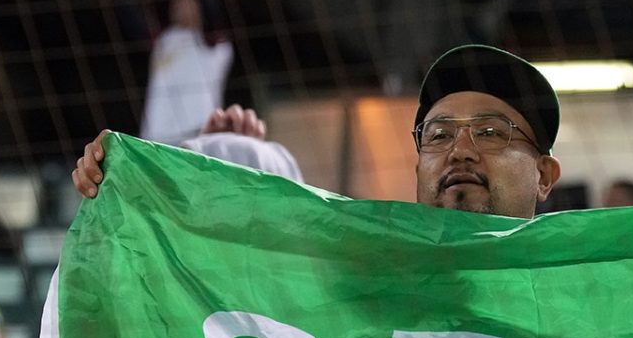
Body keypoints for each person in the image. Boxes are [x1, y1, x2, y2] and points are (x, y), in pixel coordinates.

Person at [75, 44, 563, 221]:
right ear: (417, 167)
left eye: (491, 132)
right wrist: (146, 181)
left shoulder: (594, 291)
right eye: (438, 135)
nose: (460, 150)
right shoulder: (362, 272)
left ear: (544, 174)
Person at [140, 0, 234, 144]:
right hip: (158, 132)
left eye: (186, 1)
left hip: (196, 131)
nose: (178, 7)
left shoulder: (215, 43)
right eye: (176, 2)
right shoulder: (165, 39)